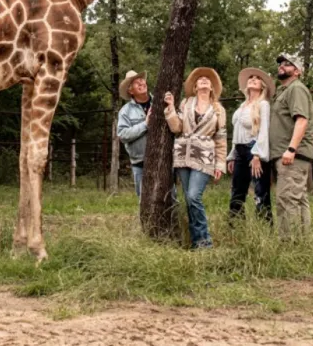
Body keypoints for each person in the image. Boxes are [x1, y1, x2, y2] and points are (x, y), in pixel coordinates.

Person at [164, 67, 227, 249]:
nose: (204, 80)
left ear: (212, 88)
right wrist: (170, 108)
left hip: (205, 157)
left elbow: (221, 139)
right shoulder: (186, 103)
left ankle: (205, 241)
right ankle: (195, 242)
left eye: (208, 79)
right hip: (183, 155)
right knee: (188, 199)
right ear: (195, 86)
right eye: (200, 79)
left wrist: (220, 164)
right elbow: (177, 128)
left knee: (193, 197)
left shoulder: (218, 109)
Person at [269, 53, 313, 238]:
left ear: (296, 71)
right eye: (281, 63)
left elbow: (302, 121)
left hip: (291, 155)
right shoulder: (284, 91)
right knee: (297, 199)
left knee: (286, 199)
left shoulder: (296, 89)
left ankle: (289, 245)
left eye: (288, 64)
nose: (282, 66)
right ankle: (303, 243)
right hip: (287, 154)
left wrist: (291, 149)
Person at [227, 67, 275, 223]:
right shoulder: (242, 106)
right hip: (240, 150)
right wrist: (233, 154)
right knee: (237, 191)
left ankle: (264, 229)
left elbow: (264, 130)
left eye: (257, 78)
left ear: (262, 86)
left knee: (260, 191)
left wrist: (257, 155)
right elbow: (237, 132)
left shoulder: (263, 105)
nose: (253, 79)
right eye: (251, 77)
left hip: (254, 149)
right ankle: (236, 226)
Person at [117, 70, 152, 197]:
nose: (141, 82)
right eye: (135, 82)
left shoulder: (159, 103)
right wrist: (145, 124)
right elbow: (122, 135)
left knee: (170, 196)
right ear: (130, 91)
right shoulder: (125, 112)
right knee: (144, 199)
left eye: (141, 79)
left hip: (161, 160)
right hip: (139, 162)